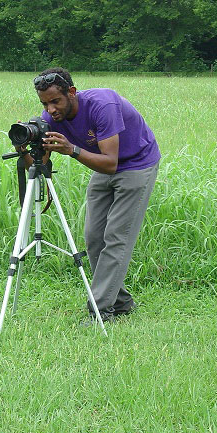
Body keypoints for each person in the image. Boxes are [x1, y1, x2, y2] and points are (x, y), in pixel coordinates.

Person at [26, 67, 161, 323]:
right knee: (93, 237)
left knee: (116, 238)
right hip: (100, 164)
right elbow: (40, 162)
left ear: (72, 92)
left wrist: (72, 149)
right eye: (45, 103)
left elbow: (110, 163)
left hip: (135, 164)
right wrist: (25, 147)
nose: (51, 109)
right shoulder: (51, 117)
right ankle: (120, 301)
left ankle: (100, 311)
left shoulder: (102, 104)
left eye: (56, 101)